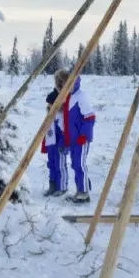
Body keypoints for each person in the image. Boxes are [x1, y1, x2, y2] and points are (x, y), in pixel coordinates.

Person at [52, 69, 95, 204]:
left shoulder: (81, 96)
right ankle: (82, 188)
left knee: (79, 164)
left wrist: (84, 135)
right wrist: (64, 142)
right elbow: (66, 124)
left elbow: (90, 117)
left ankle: (83, 193)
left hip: (81, 140)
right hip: (72, 140)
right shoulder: (67, 99)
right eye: (62, 84)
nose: (64, 86)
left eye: (66, 83)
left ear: (73, 81)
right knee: (76, 165)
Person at [41, 89, 66, 197]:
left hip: (59, 145)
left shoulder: (62, 117)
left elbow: (65, 132)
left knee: (60, 165)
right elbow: (47, 131)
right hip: (51, 144)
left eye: (51, 103)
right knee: (51, 165)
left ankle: (62, 187)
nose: (49, 105)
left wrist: (63, 143)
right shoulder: (49, 115)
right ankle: (53, 185)